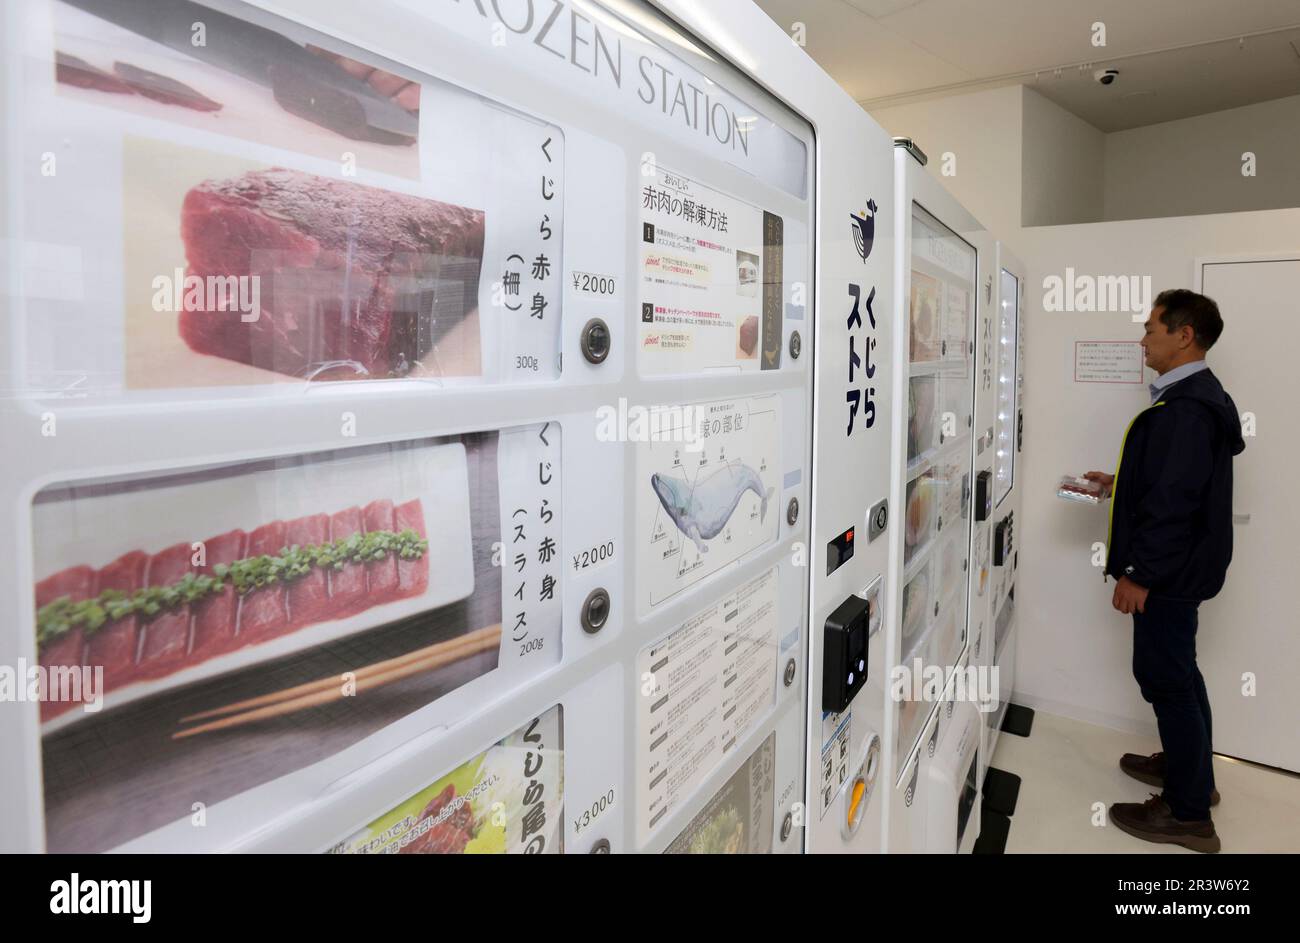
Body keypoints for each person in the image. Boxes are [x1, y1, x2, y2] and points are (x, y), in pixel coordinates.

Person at [1084, 289, 1244, 854]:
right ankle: (1187, 771)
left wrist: (1139, 574)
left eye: (1152, 328)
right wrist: (1117, 485)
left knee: (1168, 681)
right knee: (1181, 675)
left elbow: (1174, 505)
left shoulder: (1187, 408)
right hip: (1184, 569)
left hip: (1168, 574)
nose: (1143, 339)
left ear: (1184, 335)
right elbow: (1171, 484)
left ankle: (1188, 813)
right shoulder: (1195, 399)